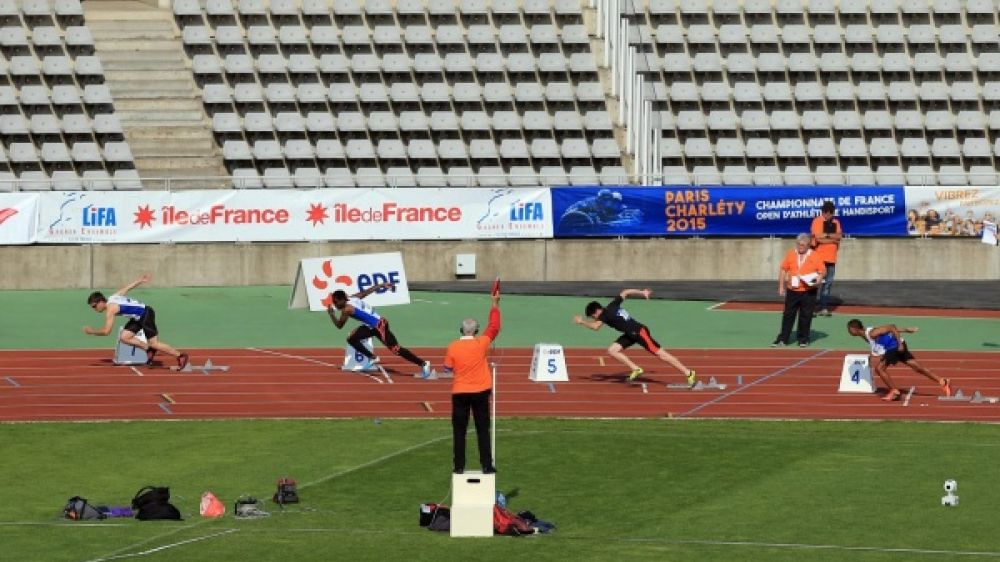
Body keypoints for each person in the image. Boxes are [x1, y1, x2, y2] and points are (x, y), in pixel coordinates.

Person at [573, 288, 697, 386]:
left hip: (639, 332)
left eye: (592, 316)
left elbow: (596, 327)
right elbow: (625, 292)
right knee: (612, 350)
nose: (594, 318)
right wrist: (642, 292)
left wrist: (581, 322)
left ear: (596, 312)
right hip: (630, 334)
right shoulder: (612, 304)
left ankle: (688, 372)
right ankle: (636, 369)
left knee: (661, 354)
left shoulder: (604, 314)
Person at [443, 292, 501, 474]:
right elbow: (494, 326)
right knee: (482, 429)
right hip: (481, 391)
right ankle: (486, 465)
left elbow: (447, 368)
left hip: (460, 392)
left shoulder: (452, 346)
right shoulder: (482, 343)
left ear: (461, 331)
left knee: (459, 431)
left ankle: (459, 466)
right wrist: (494, 305)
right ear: (476, 331)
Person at [84, 273, 188, 369]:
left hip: (145, 314)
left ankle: (180, 355)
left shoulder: (111, 309)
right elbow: (127, 288)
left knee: (154, 343)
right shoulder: (112, 297)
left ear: (101, 302)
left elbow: (106, 331)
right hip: (137, 317)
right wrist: (140, 280)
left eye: (94, 306)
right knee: (124, 337)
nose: (94, 309)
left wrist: (92, 331)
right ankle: (148, 349)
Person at [327, 283, 432, 377]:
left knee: (396, 349)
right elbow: (366, 292)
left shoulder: (347, 310)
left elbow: (339, 325)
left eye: (336, 302)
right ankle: (372, 357)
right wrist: (381, 285)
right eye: (334, 302)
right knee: (351, 338)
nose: (335, 305)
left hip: (379, 326)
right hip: (370, 326)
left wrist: (331, 314)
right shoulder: (352, 298)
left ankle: (423, 364)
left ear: (342, 299)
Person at [846, 319, 953, 401]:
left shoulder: (871, 333)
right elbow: (887, 333)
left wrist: (900, 344)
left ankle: (894, 391)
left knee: (879, 369)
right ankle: (942, 381)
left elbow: (891, 327)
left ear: (854, 328)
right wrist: (906, 330)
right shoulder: (867, 335)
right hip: (894, 347)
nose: (848, 332)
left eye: (849, 329)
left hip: (895, 347)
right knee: (916, 366)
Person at [773, 233, 826, 348]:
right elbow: (783, 270)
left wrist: (819, 279)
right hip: (792, 290)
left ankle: (803, 339)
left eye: (803, 245)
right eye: (798, 244)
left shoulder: (815, 255)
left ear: (808, 245)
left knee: (806, 315)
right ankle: (783, 339)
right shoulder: (791, 254)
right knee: (788, 315)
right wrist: (781, 286)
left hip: (808, 291)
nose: (800, 247)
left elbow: (822, 271)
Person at [810, 200, 842, 317]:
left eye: (830, 213)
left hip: (831, 258)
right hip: (819, 258)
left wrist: (827, 235)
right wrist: (831, 237)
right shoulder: (817, 221)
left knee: (827, 284)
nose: (828, 215)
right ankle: (811, 308)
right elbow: (818, 238)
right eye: (826, 212)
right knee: (815, 283)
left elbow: (839, 236)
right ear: (823, 212)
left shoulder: (836, 222)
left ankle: (823, 307)